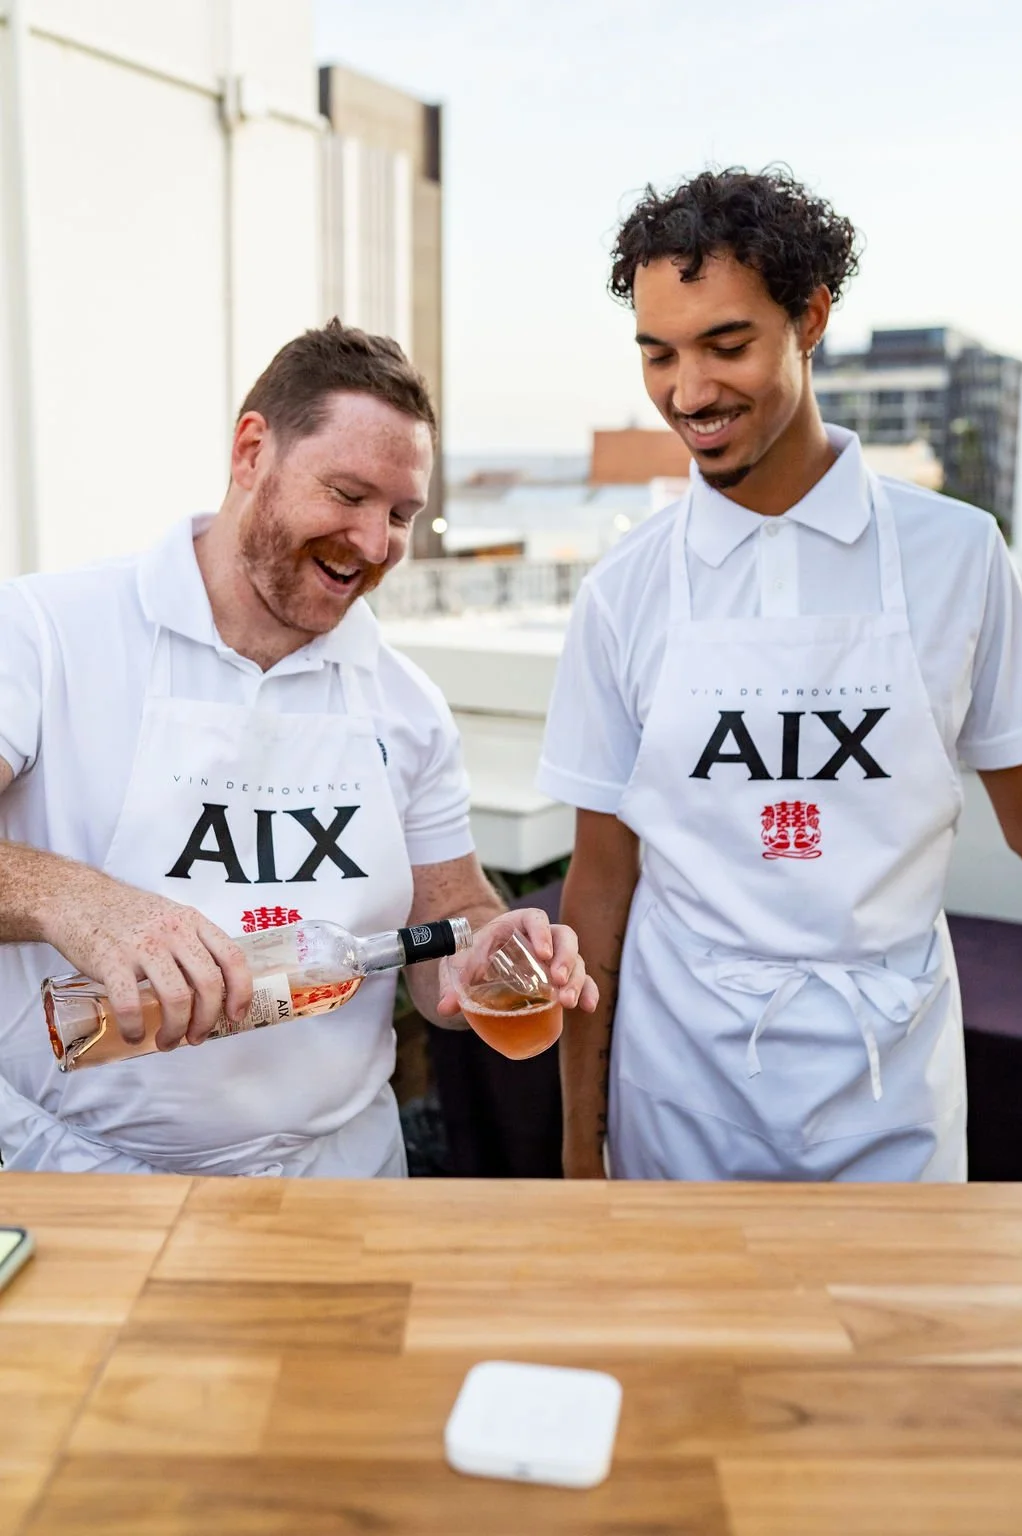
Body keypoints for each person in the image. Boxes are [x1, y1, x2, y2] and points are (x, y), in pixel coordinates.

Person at [0, 320, 597, 1177]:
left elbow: (449, 919)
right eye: (348, 494)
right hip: (93, 1176)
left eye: (400, 514)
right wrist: (73, 899)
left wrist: (496, 952)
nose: (374, 541)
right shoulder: (45, 634)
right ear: (252, 452)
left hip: (345, 1175)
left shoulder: (407, 704)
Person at [538, 169, 1022, 1183]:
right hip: (681, 1100)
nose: (688, 393)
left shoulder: (961, 556)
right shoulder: (623, 591)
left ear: (810, 319)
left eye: (726, 345)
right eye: (658, 354)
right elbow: (599, 888)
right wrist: (580, 1153)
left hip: (891, 1095)